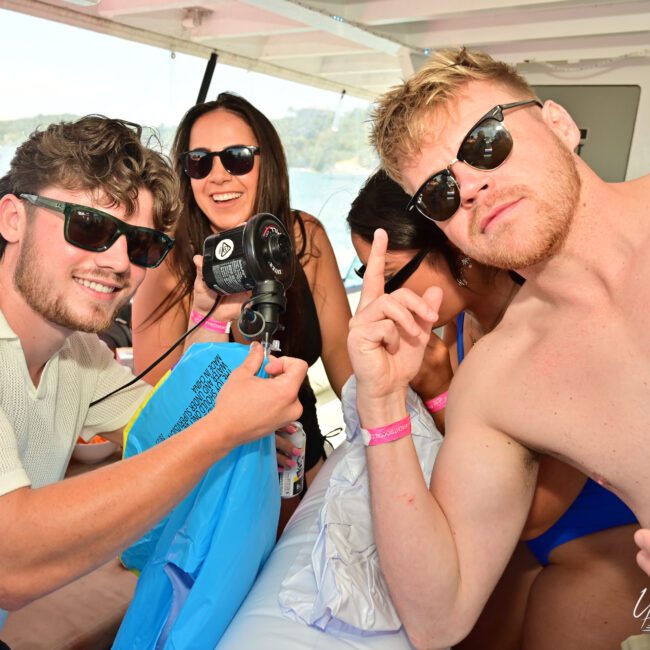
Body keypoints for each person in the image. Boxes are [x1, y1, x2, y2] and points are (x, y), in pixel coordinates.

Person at [347, 47, 650, 649]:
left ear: (560, 125)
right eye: (438, 192)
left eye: (485, 143)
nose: (471, 186)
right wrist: (381, 406)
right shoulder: (500, 378)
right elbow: (439, 617)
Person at [0, 116, 306, 625]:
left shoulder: (81, 356)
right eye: (91, 226)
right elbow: (11, 563)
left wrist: (213, 327)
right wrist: (219, 433)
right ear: (13, 217)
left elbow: (165, 428)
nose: (120, 262)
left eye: (142, 245)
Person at [132, 93, 352, 520]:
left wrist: (386, 442)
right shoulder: (168, 257)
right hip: (207, 495)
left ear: (265, 161)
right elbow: (159, 406)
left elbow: (346, 365)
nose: (217, 175)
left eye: (236, 157)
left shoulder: (304, 239)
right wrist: (207, 317)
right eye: (200, 161)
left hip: (299, 479)